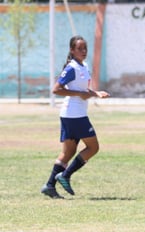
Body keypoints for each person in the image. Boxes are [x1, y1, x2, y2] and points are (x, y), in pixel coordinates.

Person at [40, 35, 110, 199]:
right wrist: (79, 94)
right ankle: (65, 175)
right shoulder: (71, 68)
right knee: (93, 147)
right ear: (72, 50)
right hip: (74, 115)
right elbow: (56, 89)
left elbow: (83, 91)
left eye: (85, 48)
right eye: (79, 48)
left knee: (67, 153)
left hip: (73, 114)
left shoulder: (83, 65)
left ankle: (49, 186)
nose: (83, 51)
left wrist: (96, 93)